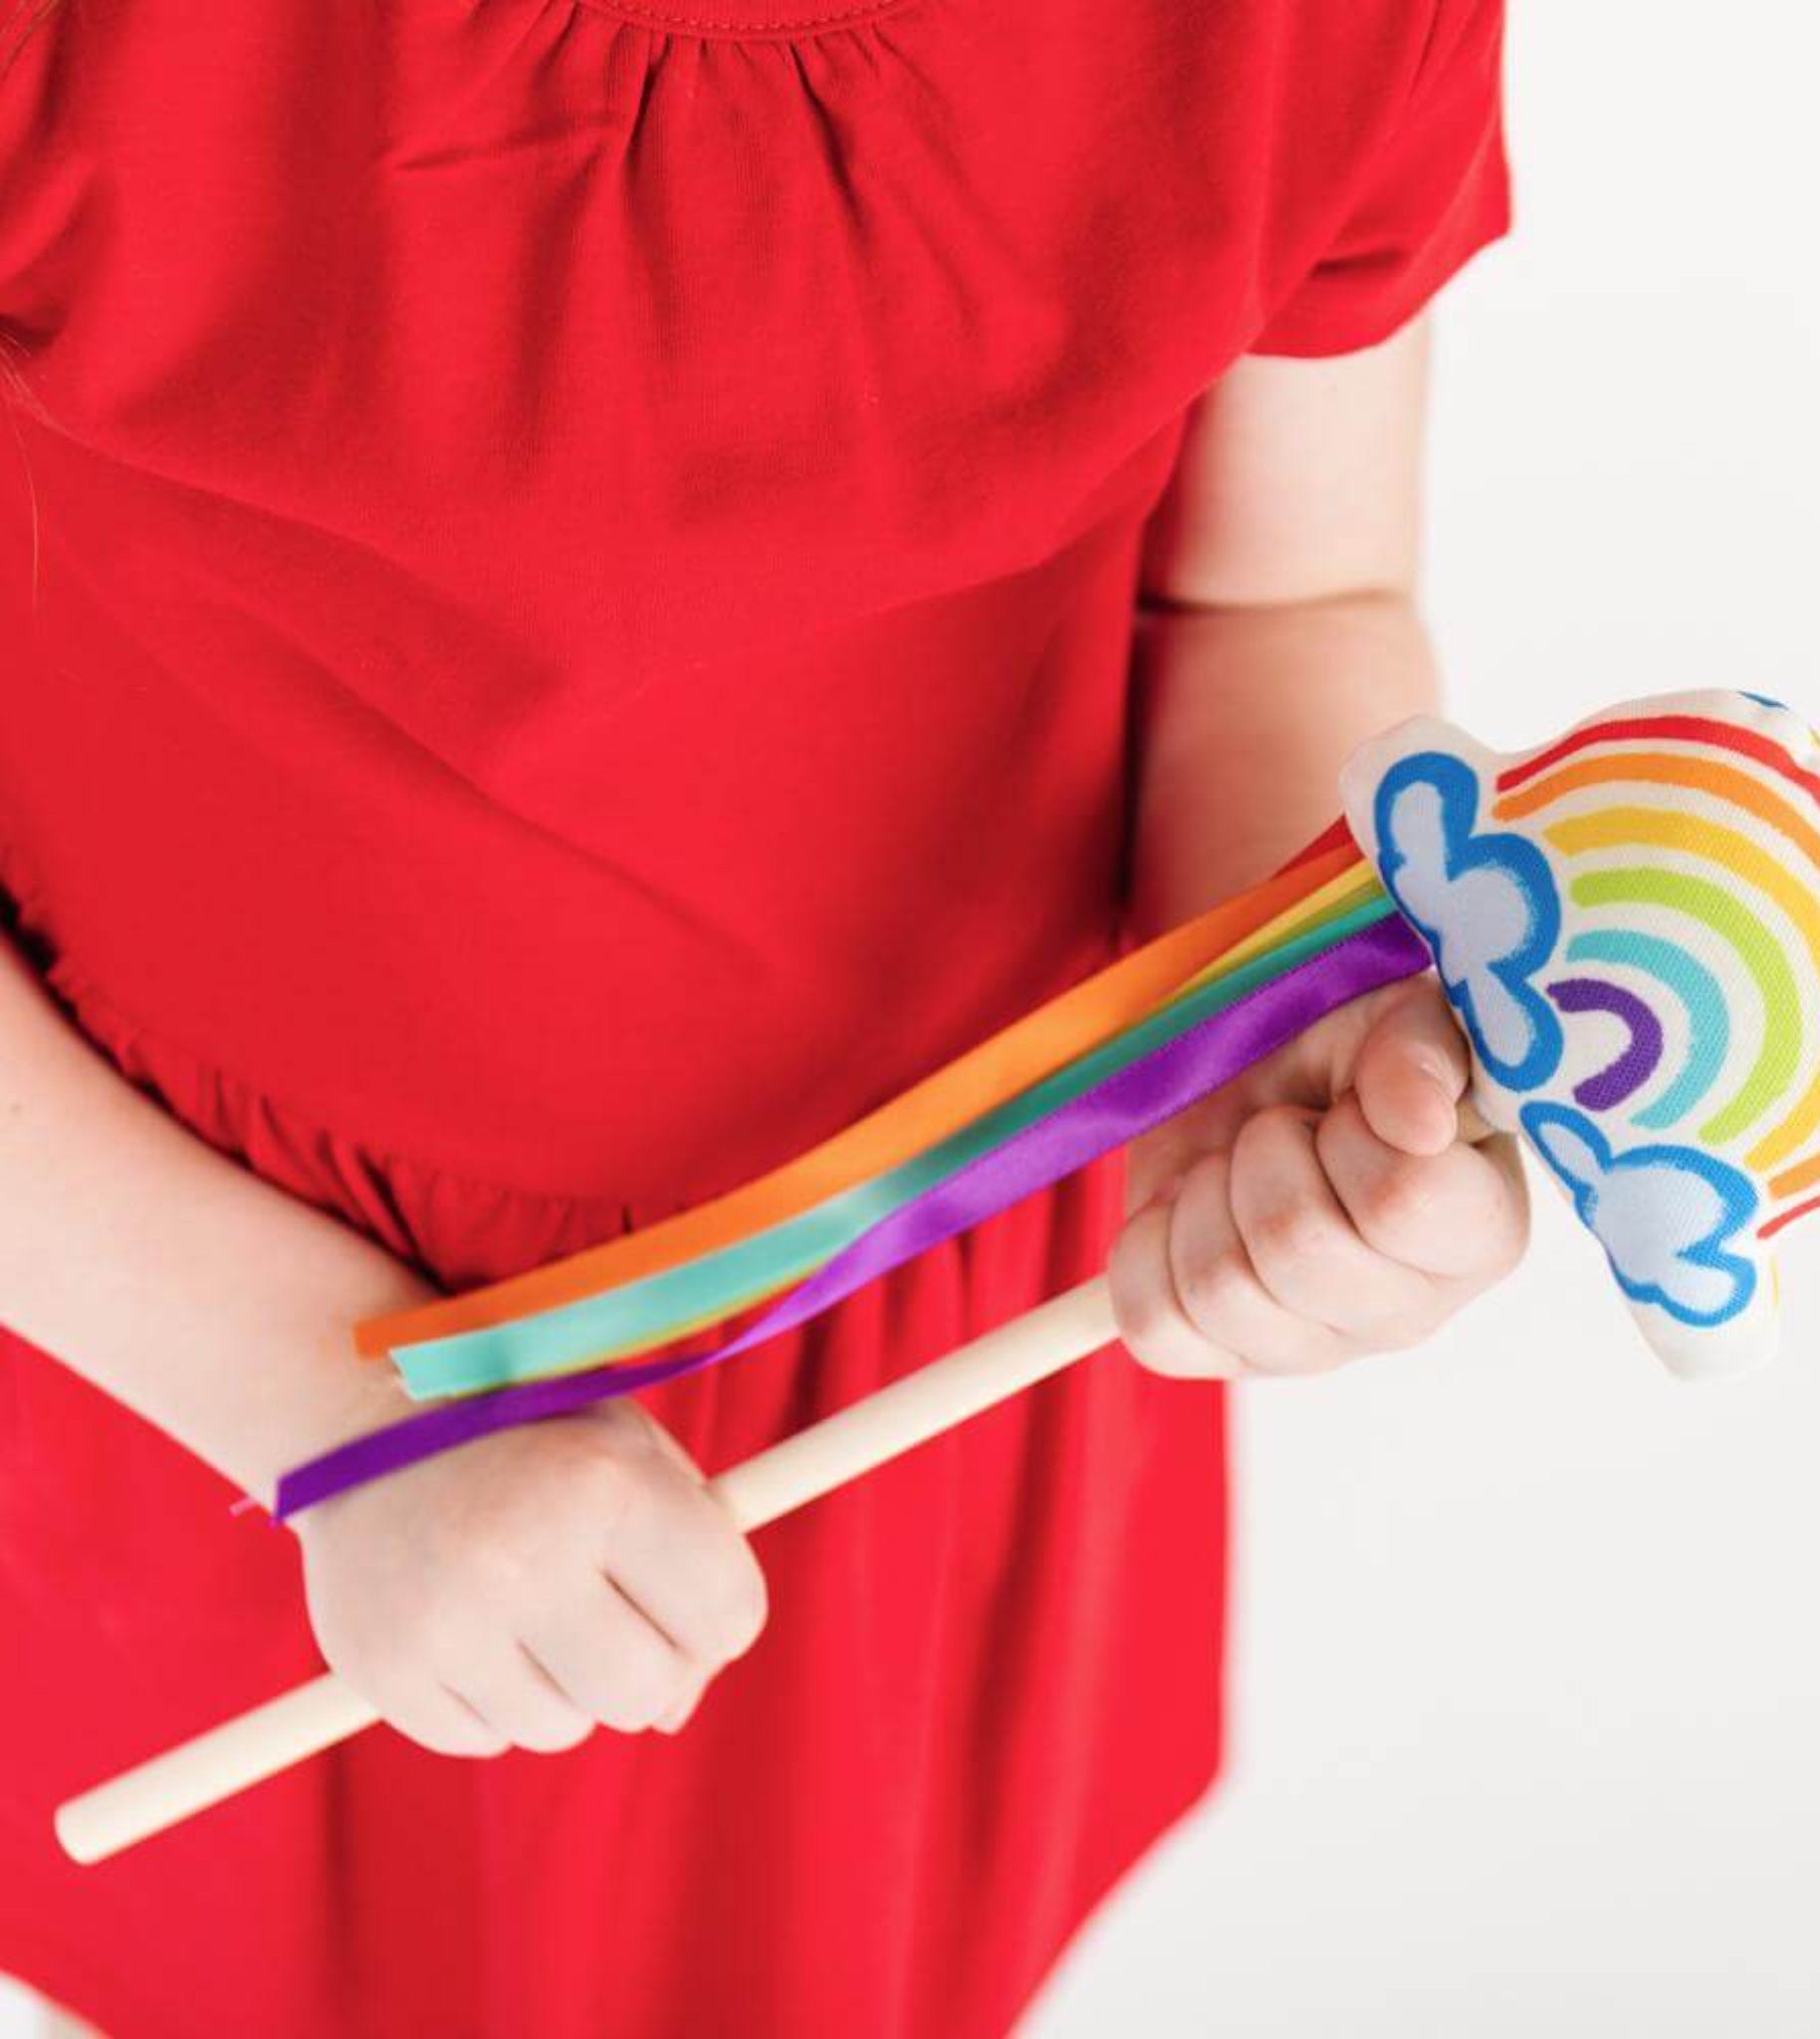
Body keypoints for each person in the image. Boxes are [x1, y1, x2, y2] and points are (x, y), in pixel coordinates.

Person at [0, 0, 1523, 2031]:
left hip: (920, 1323)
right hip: (164, 1302)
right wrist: (334, 1411)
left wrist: (1265, 1027)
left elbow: (1277, 604)